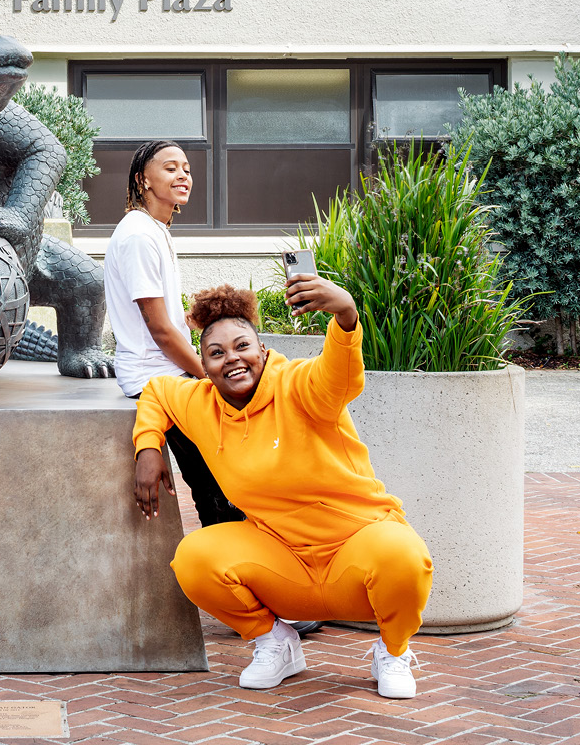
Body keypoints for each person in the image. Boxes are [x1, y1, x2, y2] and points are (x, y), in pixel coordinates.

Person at [131, 279, 434, 699]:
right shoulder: (201, 401)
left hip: (356, 547)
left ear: (263, 352)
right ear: (203, 366)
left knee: (405, 555)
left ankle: (393, 651)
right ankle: (275, 642)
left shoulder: (298, 384)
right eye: (215, 353)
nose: (231, 360)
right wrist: (148, 447)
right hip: (283, 559)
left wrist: (345, 315)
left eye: (242, 346)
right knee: (194, 559)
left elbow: (340, 376)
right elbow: (157, 392)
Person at [103, 140, 242, 528]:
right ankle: (223, 559)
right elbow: (160, 331)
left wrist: (195, 319)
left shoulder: (155, 230)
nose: (183, 175)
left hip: (165, 370)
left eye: (187, 168)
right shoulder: (139, 235)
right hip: (156, 377)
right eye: (170, 168)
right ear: (141, 179)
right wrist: (208, 373)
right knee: (215, 484)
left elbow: (163, 320)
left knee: (229, 474)